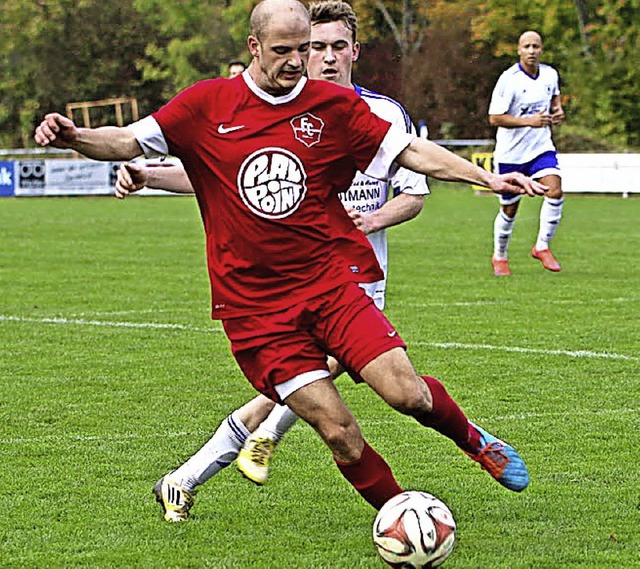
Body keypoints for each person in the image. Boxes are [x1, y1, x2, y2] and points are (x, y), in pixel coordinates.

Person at [35, 0, 542, 526]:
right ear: (254, 46)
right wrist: (76, 138)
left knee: (406, 393)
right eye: (285, 50)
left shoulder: (333, 108)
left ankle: (476, 441)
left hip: (329, 287)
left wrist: (487, 178)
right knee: (339, 431)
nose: (298, 61)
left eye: (305, 48)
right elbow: (126, 140)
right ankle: (401, 520)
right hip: (255, 311)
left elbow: (412, 153)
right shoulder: (206, 104)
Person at [115, 0, 430, 494]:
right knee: (308, 383)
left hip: (359, 274)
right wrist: (149, 173)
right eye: (315, 47)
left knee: (321, 380)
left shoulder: (383, 114)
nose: (324, 58)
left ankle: (208, 465)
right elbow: (222, 179)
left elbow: (414, 194)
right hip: (292, 280)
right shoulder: (270, 107)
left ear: (355, 51)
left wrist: (372, 218)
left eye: (334, 47)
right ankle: (236, 451)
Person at [488, 30, 565, 277]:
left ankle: (542, 246)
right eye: (527, 46)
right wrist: (529, 121)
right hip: (511, 154)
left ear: (542, 49)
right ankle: (499, 256)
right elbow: (494, 117)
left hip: (540, 148)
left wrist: (558, 110)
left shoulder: (550, 74)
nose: (531, 51)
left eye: (536, 46)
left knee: (555, 190)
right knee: (509, 210)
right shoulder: (508, 80)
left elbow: (554, 98)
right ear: (519, 50)